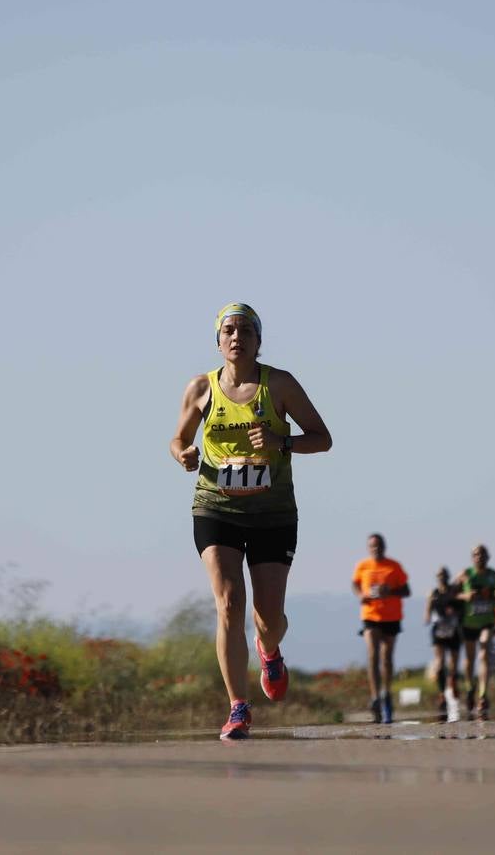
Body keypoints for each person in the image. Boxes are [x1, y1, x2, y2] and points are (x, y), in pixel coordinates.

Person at [170, 303, 333, 741]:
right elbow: (178, 438)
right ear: (218, 341)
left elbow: (323, 439)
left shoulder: (279, 384)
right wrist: (183, 454)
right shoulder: (200, 389)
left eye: (246, 330)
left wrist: (282, 441)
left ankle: (270, 648)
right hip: (215, 506)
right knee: (228, 603)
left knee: (268, 617)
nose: (237, 336)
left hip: (272, 511)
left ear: (259, 341)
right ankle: (238, 708)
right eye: (229, 330)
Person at [352, 533, 410, 723]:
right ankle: (375, 696)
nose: (376, 548)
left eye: (379, 545)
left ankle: (386, 694)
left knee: (386, 658)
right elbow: (355, 584)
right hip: (370, 615)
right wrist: (360, 595)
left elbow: (406, 590)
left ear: (384, 546)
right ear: (369, 548)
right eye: (373, 546)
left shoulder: (394, 566)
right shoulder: (363, 566)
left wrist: (390, 591)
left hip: (391, 617)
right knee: (372, 655)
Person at [454, 544, 495, 718]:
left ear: (487, 557)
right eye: (475, 554)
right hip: (469, 622)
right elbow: (453, 594)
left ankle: (482, 695)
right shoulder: (464, 574)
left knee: (484, 654)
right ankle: (469, 687)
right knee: (470, 658)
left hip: (486, 621)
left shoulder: (494, 576)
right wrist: (465, 596)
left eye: (482, 554)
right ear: (472, 557)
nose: (479, 557)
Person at [424, 567, 464, 721]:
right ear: (436, 577)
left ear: (448, 576)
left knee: (453, 665)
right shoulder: (433, 594)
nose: (442, 577)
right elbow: (426, 617)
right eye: (439, 575)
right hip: (439, 632)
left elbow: (462, 576)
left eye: (444, 575)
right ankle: (442, 693)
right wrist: (428, 605)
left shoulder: (454, 591)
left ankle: (452, 685)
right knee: (439, 664)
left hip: (453, 632)